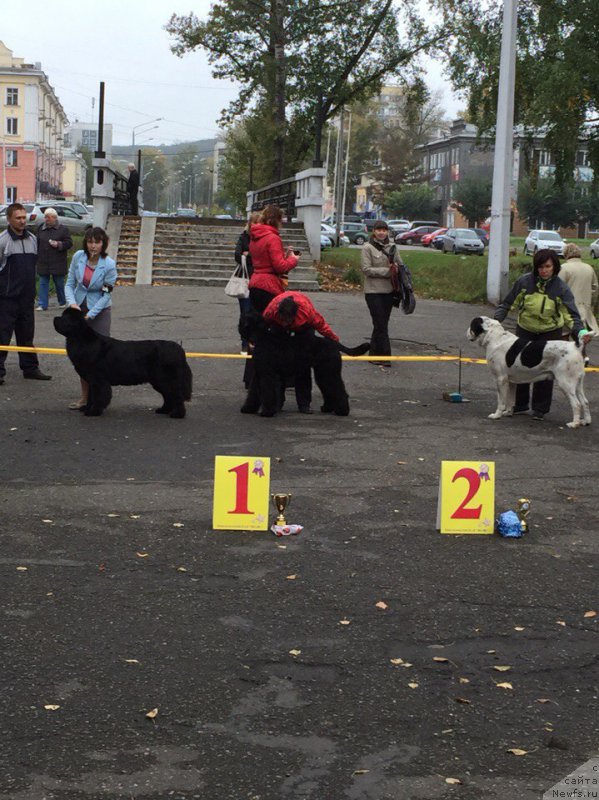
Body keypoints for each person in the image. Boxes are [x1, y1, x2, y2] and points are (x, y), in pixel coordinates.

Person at [494, 248, 592, 421]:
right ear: (535, 268)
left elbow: (571, 316)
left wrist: (580, 332)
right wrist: (495, 322)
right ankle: (519, 405)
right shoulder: (524, 282)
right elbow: (507, 304)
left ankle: (540, 409)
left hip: (550, 331)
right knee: (519, 367)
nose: (544, 270)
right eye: (540, 267)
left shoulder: (561, 288)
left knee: (547, 371)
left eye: (547, 266)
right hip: (525, 330)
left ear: (554, 267)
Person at [65, 226, 117, 409]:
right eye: (90, 242)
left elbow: (106, 294)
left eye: (97, 242)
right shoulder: (79, 257)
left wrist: (91, 314)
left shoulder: (109, 264)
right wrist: (72, 304)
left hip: (100, 311)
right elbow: (70, 283)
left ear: (103, 244)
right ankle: (85, 397)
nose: (93, 246)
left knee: (100, 357)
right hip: (79, 307)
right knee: (82, 356)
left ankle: (99, 399)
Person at [262, 291, 340, 413]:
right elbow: (263, 326)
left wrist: (334, 340)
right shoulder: (271, 311)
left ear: (295, 315)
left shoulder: (306, 312)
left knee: (303, 367)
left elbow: (321, 325)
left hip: (303, 330)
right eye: (283, 320)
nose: (286, 324)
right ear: (278, 314)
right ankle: (277, 402)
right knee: (278, 366)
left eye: (288, 321)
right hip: (278, 331)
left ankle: (304, 404)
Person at [0, 203, 51, 384]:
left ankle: (30, 368)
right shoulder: (3, 241)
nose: (22, 221)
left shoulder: (32, 239)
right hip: (7, 299)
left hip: (27, 298)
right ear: (9, 219)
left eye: (24, 217)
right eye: (18, 218)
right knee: (2, 336)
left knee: (26, 335)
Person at [360, 219, 401, 369]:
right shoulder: (367, 248)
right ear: (374, 232)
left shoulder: (393, 247)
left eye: (384, 230)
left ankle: (373, 354)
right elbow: (366, 269)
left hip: (389, 292)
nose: (382, 232)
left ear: (387, 232)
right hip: (373, 292)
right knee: (381, 324)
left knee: (380, 324)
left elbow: (400, 265)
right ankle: (385, 356)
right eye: (379, 230)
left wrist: (397, 269)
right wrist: (387, 271)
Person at [248, 204, 299, 313]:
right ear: (277, 220)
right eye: (281, 220)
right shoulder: (273, 238)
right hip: (268, 286)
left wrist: (284, 257)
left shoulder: (255, 236)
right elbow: (280, 267)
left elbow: (264, 260)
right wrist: (293, 259)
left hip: (254, 282)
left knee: (258, 322)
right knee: (272, 322)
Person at [559, 243, 598, 364]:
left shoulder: (563, 268)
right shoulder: (588, 268)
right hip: (584, 306)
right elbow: (595, 288)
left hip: (566, 307)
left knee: (564, 333)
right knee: (581, 333)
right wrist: (592, 303)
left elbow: (558, 287)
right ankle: (583, 356)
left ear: (566, 254)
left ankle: (566, 358)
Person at [234, 211, 261, 354]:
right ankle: (245, 343)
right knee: (245, 312)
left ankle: (255, 341)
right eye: (254, 223)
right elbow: (237, 255)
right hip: (245, 280)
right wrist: (248, 255)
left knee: (257, 312)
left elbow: (260, 255)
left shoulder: (263, 238)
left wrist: (248, 254)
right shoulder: (244, 236)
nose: (256, 225)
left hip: (259, 280)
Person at [36, 208, 73, 311]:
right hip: (43, 261)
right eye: (45, 217)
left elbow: (69, 243)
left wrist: (59, 244)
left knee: (59, 283)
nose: (46, 219)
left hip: (58, 261)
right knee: (43, 283)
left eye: (48, 217)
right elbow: (37, 243)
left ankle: (62, 302)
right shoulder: (40, 228)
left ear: (55, 218)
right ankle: (42, 304)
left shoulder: (63, 229)